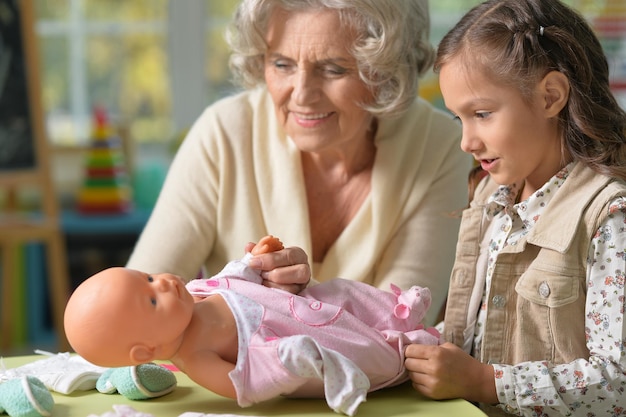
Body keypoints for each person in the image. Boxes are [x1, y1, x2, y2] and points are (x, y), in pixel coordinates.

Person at [125, 0, 471, 325]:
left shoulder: (439, 146)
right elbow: (133, 310)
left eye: (334, 69)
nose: (302, 94)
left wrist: (269, 307)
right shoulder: (224, 133)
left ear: (388, 70)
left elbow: (398, 328)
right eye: (281, 64)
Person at [403, 0, 626, 416]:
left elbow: (618, 381)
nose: (466, 142)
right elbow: (480, 332)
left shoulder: (609, 218)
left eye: (482, 114)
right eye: (459, 119)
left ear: (551, 96)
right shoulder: (493, 196)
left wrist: (484, 382)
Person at [64, 236, 440, 416]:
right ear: (146, 351)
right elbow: (245, 384)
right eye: (150, 299)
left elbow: (230, 279)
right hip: (300, 341)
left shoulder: (194, 292)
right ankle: (404, 349)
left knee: (342, 291)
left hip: (307, 305)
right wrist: (284, 361)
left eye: (147, 277)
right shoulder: (197, 358)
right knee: (355, 346)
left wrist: (252, 260)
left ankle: (397, 310)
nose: (161, 283)